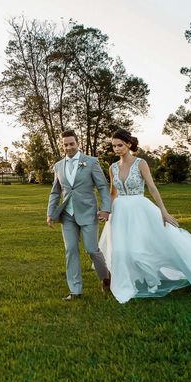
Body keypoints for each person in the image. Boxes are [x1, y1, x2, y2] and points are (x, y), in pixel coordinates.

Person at [99, 129, 191, 304]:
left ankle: (153, 279)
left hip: (140, 210)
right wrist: (107, 211)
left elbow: (152, 188)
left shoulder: (140, 163)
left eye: (120, 145)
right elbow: (113, 193)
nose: (117, 149)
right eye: (114, 146)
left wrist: (163, 212)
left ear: (128, 144)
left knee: (141, 249)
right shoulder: (112, 168)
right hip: (119, 212)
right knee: (119, 250)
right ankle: (123, 282)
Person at [47, 129, 112, 300]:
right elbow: (55, 192)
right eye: (65, 145)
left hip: (88, 213)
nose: (68, 147)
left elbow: (103, 187)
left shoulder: (91, 162)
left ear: (78, 143)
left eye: (71, 144)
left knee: (92, 249)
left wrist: (105, 209)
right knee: (71, 250)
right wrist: (50, 213)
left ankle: (105, 277)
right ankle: (75, 290)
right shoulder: (58, 166)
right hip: (67, 215)